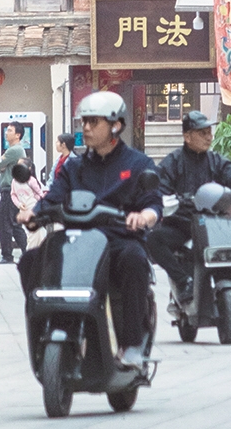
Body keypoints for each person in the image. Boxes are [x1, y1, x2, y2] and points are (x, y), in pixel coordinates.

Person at [17, 92, 160, 369]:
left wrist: (143, 216)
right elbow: (53, 198)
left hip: (118, 241)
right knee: (30, 261)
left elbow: (153, 204)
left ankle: (132, 344)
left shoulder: (138, 164)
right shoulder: (74, 166)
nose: (86, 128)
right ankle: (46, 325)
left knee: (135, 259)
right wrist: (34, 214)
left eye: (94, 122)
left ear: (116, 125)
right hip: (75, 243)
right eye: (84, 122)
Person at [148, 110, 231, 306]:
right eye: (202, 133)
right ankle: (183, 281)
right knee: (154, 239)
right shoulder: (173, 161)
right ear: (187, 136)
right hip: (183, 226)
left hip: (215, 224)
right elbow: (160, 186)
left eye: (209, 132)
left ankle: (229, 276)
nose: (208, 137)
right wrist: (168, 199)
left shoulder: (216, 161)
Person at [0, 122, 29, 263]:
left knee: (4, 224)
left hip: (9, 192)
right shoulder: (17, 150)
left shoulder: (14, 150)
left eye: (9, 130)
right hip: (13, 191)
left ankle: (7, 255)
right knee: (14, 225)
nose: (6, 133)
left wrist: (2, 165)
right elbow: (1, 165)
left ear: (18, 135)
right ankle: (28, 252)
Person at [9, 161, 47, 251]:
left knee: (34, 232)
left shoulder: (31, 180)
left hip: (33, 209)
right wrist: (18, 204)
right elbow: (13, 195)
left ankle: (29, 254)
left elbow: (38, 194)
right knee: (36, 233)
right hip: (23, 210)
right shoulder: (14, 181)